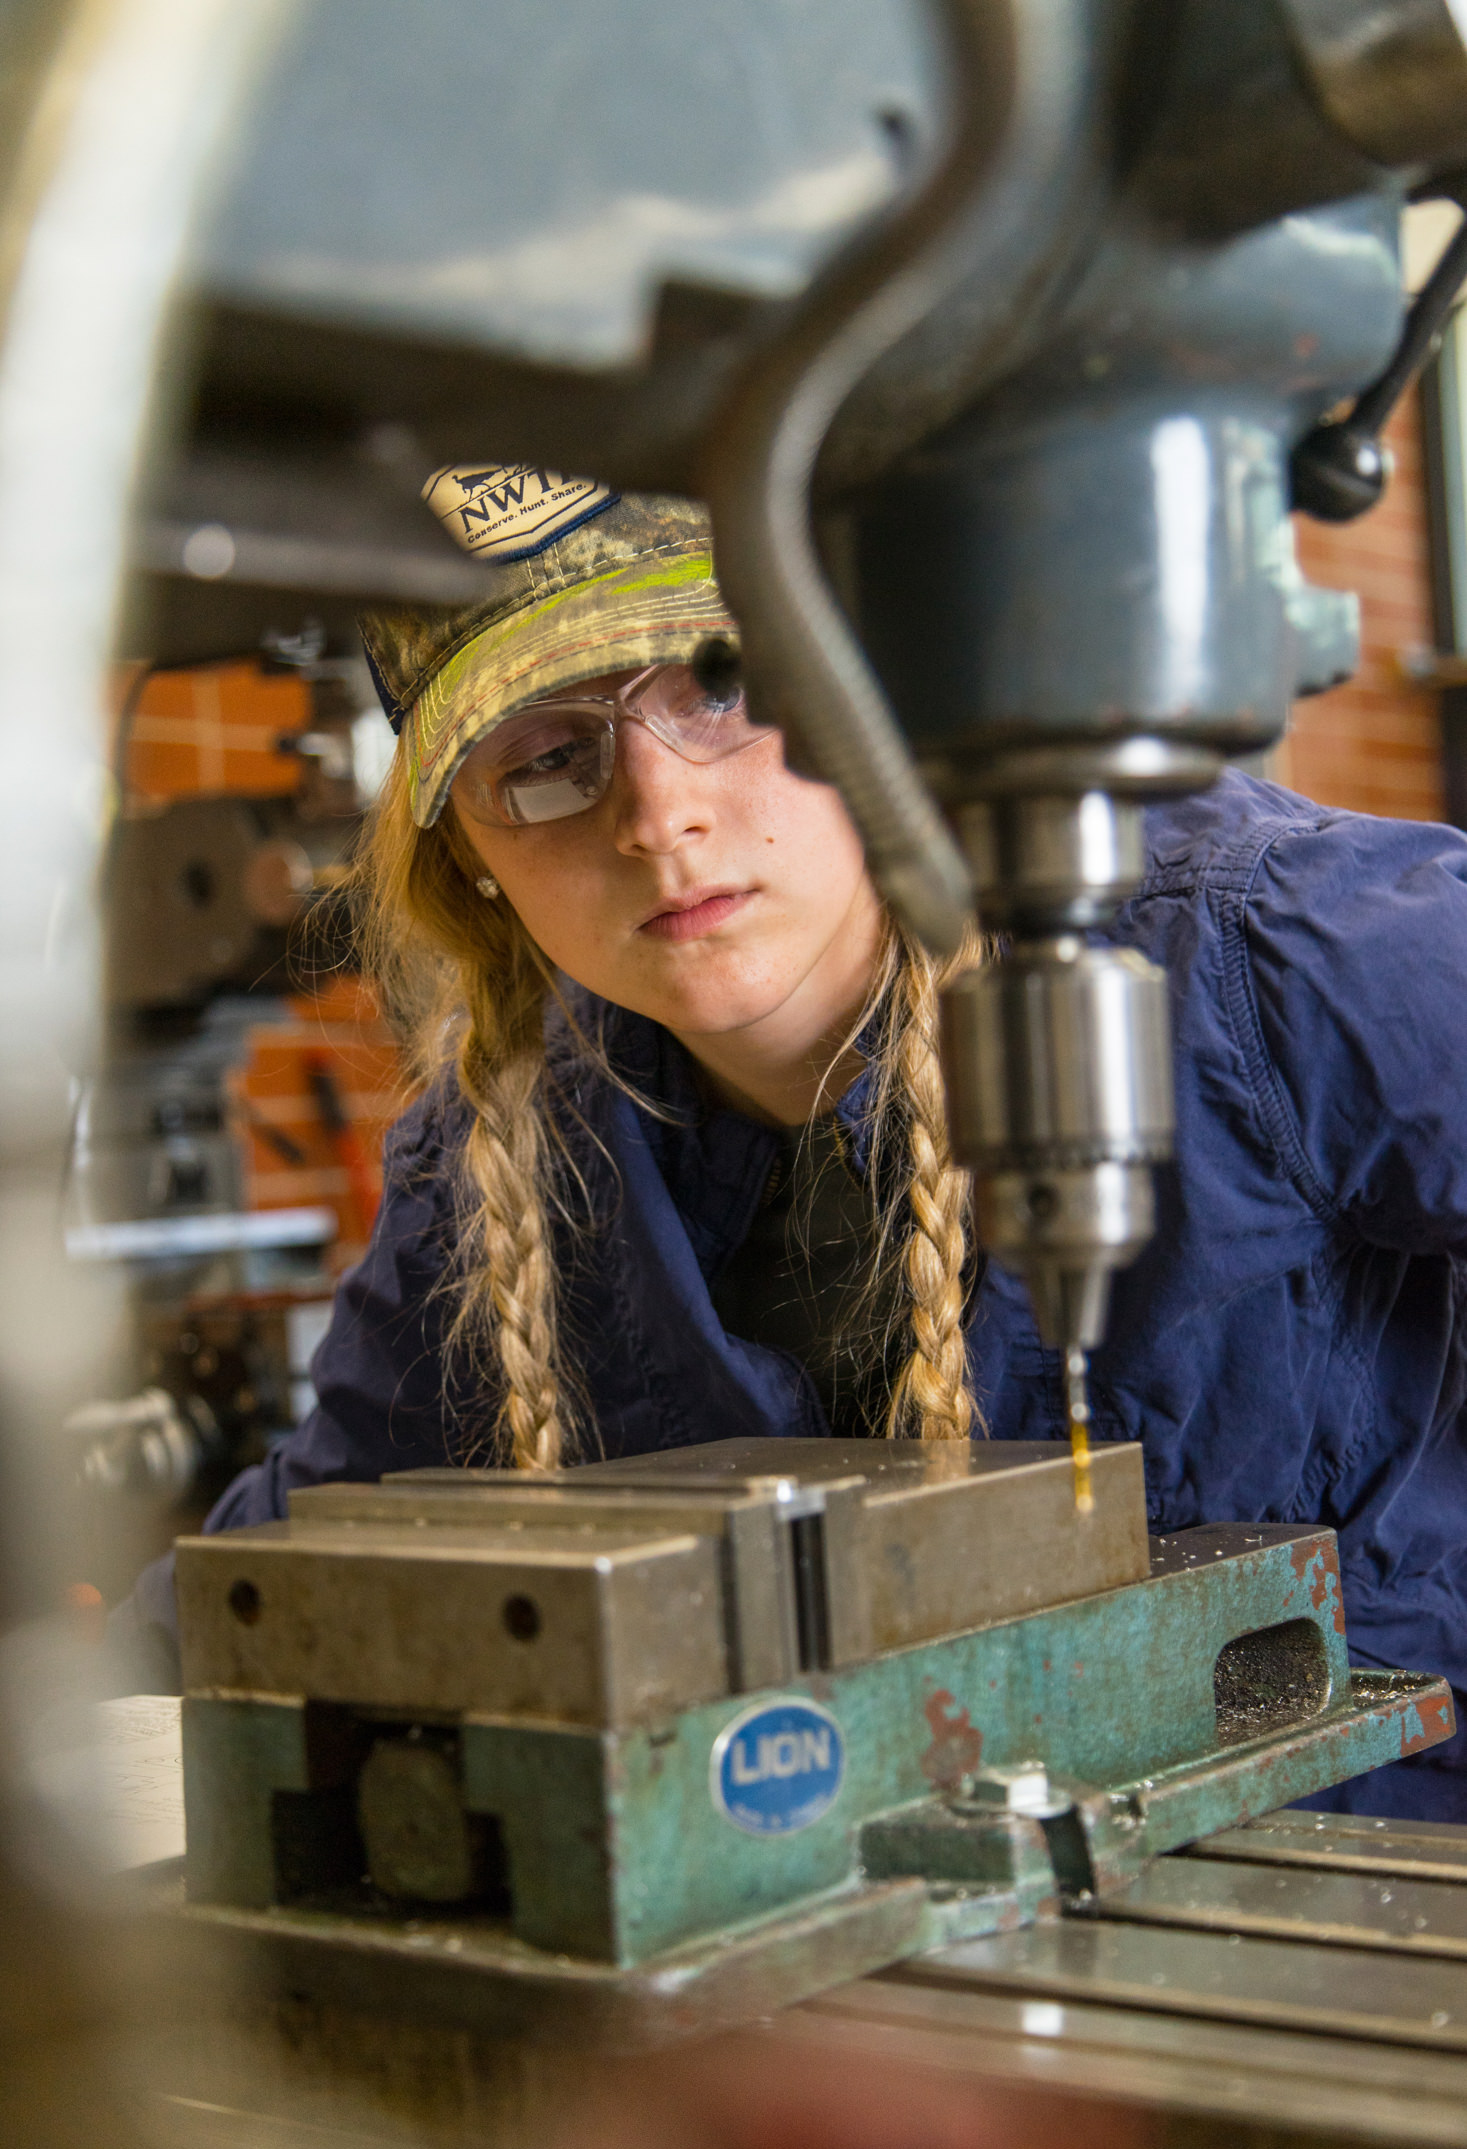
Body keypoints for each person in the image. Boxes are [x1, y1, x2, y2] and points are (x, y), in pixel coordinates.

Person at [118, 482, 1467, 1822]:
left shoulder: (1267, 956)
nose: (658, 815)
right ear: (466, 852)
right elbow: (298, 1570)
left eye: (726, 686)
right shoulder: (503, 1145)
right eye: (545, 760)